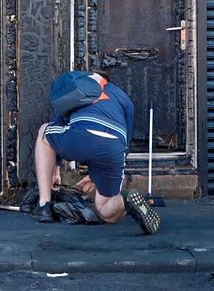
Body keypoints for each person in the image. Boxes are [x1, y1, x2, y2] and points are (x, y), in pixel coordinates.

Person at [32, 71, 161, 235]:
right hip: (115, 146)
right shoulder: (123, 97)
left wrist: (55, 167)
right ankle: (124, 200)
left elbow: (58, 122)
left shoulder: (78, 87)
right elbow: (125, 140)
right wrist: (96, 175)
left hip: (82, 136)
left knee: (44, 131)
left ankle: (44, 205)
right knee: (106, 211)